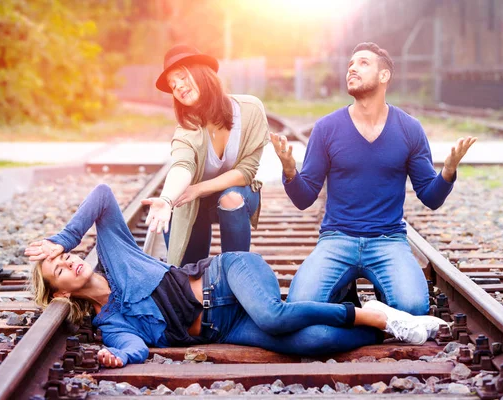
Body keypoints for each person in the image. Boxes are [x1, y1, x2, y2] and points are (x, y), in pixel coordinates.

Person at [25, 184, 445, 367]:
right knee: (312, 344)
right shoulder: (110, 324)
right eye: (58, 271)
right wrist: (116, 358)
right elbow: (134, 348)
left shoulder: (116, 257)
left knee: (275, 316)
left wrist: (63, 237)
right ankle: (389, 327)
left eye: (64, 256)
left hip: (229, 273)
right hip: (226, 326)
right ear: (60, 292)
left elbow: (101, 196)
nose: (68, 262)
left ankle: (371, 314)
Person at [271, 42, 477, 319]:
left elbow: (431, 197)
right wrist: (290, 171)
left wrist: (448, 171)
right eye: (350, 65)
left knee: (414, 307)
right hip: (337, 239)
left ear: (384, 76)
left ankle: (368, 299)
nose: (352, 68)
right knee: (299, 304)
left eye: (363, 63)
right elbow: (304, 198)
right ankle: (349, 299)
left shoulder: (409, 129)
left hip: (388, 240)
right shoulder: (326, 128)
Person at [143, 45, 269, 267]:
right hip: (196, 202)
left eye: (182, 77)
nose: (178, 86)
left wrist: (199, 188)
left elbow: (247, 171)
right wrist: (166, 199)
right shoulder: (187, 129)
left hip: (236, 194)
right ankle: (194, 281)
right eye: (173, 85)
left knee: (231, 197)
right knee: (188, 270)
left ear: (202, 73)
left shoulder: (250, 109)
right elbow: (182, 165)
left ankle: (236, 272)